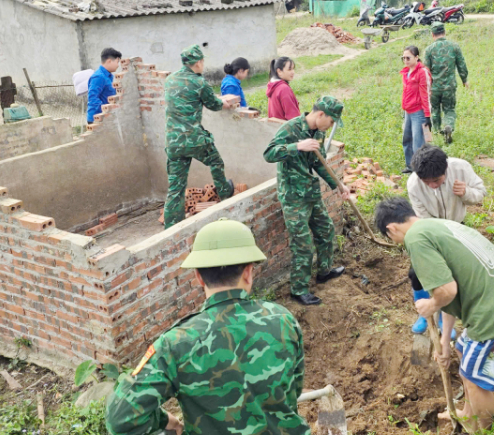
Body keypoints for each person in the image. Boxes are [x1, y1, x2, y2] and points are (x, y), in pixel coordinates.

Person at [106, 218, 310, 435]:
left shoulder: (175, 344)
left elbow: (120, 419)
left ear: (198, 277)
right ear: (248, 273)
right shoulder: (283, 320)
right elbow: (294, 390)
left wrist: (165, 421)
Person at [374, 197, 494, 432]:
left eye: (392, 238)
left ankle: (483, 429)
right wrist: (445, 341)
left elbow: (447, 291)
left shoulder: (416, 239)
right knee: (462, 349)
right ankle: (467, 414)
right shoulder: (436, 225)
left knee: (474, 380)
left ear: (391, 229)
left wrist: (430, 305)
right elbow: (451, 295)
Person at [263, 96, 350, 306]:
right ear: (321, 114)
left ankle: (324, 271)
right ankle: (299, 289)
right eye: (331, 121)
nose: (330, 127)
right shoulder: (290, 129)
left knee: (326, 230)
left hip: (310, 192)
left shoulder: (318, 133)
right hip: (293, 196)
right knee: (302, 244)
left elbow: (319, 164)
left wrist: (337, 185)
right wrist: (296, 146)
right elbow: (269, 154)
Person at [405, 144, 486, 333]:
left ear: (446, 170)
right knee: (417, 273)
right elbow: (422, 218)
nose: (432, 185)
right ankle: (424, 314)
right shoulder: (414, 185)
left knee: (454, 273)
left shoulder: (461, 168)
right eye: (427, 182)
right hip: (430, 232)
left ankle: (445, 315)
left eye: (437, 180)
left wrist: (466, 193)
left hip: (458, 228)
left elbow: (481, 193)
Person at [163, 45, 240, 229]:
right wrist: (226, 103)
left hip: (173, 143)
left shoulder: (170, 79)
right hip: (194, 139)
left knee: (176, 187)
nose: (203, 64)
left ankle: (171, 227)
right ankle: (224, 192)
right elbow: (213, 104)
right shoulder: (199, 82)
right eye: (202, 61)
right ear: (197, 62)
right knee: (215, 162)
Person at [423, 22, 468, 144]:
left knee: (435, 110)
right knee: (449, 109)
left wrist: (425, 87)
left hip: (434, 87)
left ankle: (437, 132)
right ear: (444, 32)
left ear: (433, 34)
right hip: (449, 87)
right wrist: (465, 79)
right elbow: (461, 65)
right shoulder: (454, 46)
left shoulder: (429, 50)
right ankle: (448, 126)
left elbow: (425, 70)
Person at [400, 45, 432, 174]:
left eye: (408, 58)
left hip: (418, 112)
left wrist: (427, 115)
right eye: (403, 58)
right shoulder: (406, 72)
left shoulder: (422, 72)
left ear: (416, 57)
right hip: (408, 111)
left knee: (417, 143)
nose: (405, 61)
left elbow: (425, 94)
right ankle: (410, 166)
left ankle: (420, 170)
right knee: (407, 139)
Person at [87, 48, 122, 124]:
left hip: (106, 117)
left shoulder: (109, 76)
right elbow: (93, 98)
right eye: (117, 62)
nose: (118, 65)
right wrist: (106, 111)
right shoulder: (98, 77)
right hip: (97, 118)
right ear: (109, 61)